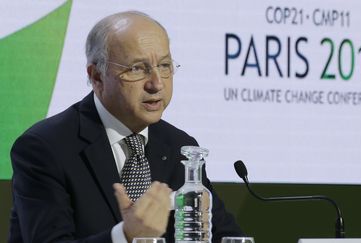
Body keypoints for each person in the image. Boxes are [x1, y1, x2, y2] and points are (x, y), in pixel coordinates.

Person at [9, 11, 243, 243]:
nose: (156, 83)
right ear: (97, 76)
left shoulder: (179, 147)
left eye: (164, 66)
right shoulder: (45, 148)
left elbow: (225, 235)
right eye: (137, 69)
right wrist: (126, 236)